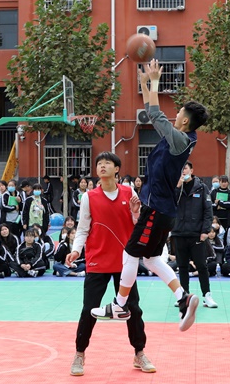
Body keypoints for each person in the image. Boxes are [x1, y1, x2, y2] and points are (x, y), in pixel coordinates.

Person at [93, 59, 209, 331]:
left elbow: (156, 115)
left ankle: (120, 305)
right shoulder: (180, 139)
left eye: (178, 112)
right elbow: (150, 111)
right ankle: (183, 298)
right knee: (151, 259)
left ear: (184, 120)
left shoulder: (181, 140)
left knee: (130, 254)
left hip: (157, 209)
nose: (175, 115)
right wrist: (145, 83)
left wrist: (155, 82)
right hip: (162, 210)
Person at [65, 152, 155, 376]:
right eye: (99, 164)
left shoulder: (129, 192)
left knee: (133, 309)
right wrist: (76, 250)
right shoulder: (89, 197)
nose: (102, 166)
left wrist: (135, 213)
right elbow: (83, 228)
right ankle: (79, 354)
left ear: (117, 169)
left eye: (107, 163)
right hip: (97, 261)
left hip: (125, 263)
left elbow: (138, 224)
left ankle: (139, 353)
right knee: (89, 310)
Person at [171, 162, 216, 308]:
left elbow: (208, 211)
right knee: (182, 266)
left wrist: (205, 231)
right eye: (181, 169)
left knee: (201, 265)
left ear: (192, 170)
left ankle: (207, 296)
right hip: (179, 232)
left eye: (185, 168)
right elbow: (170, 205)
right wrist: (177, 187)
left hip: (197, 234)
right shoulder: (175, 186)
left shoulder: (201, 187)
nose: (183, 171)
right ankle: (184, 295)